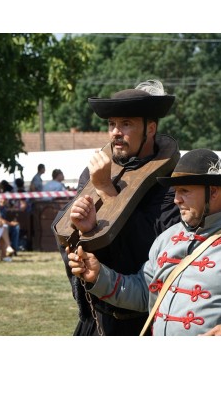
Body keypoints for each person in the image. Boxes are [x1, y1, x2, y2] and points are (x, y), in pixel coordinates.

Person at [67, 149, 221, 336]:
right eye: (176, 191)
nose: (176, 199)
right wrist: (99, 276)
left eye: (185, 191)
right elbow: (145, 294)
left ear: (214, 192)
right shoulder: (167, 238)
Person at [54, 79, 181, 336]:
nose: (115, 132)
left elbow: (157, 248)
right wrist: (81, 226)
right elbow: (64, 227)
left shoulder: (171, 184)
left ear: (151, 128)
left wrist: (106, 191)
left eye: (126, 124)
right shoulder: (93, 173)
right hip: (97, 317)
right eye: (112, 124)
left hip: (145, 321)